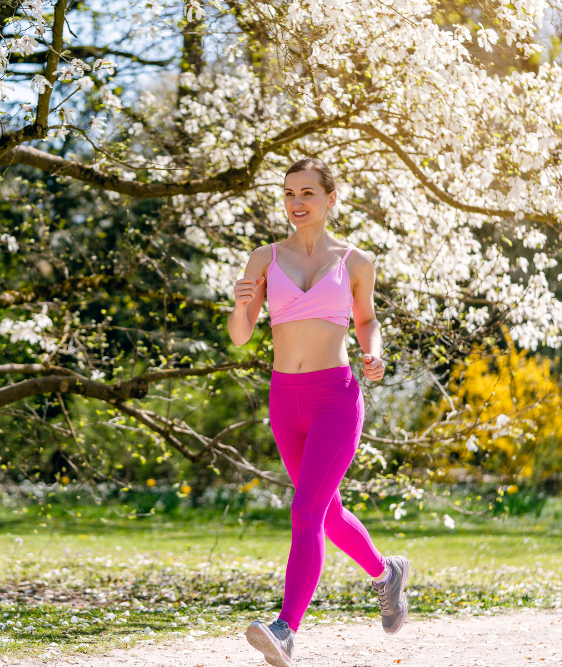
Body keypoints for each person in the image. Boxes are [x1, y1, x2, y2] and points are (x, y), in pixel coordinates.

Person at [226, 158, 408, 667]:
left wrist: (374, 352)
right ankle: (386, 573)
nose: (296, 202)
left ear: (330, 199)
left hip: (335, 396)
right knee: (325, 513)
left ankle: (285, 629)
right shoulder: (264, 258)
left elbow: (367, 320)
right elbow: (241, 336)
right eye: (288, 193)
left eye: (307, 192)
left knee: (305, 510)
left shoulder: (356, 262)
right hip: (285, 398)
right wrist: (240, 306)